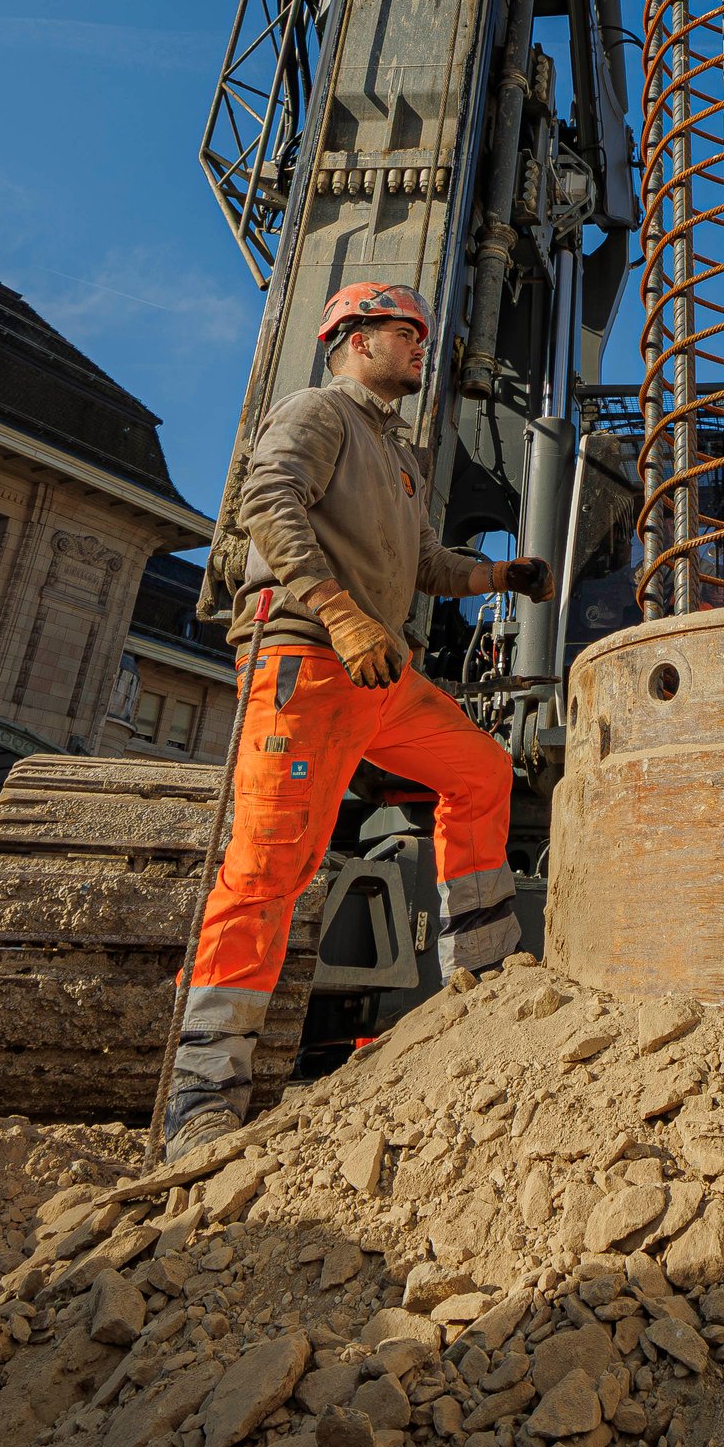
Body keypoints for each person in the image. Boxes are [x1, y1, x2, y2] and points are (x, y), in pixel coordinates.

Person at [165, 280, 547, 1152]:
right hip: (305, 659)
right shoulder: (318, 412)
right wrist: (338, 613)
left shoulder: (401, 456)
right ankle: (206, 1089)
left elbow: (421, 564)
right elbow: (265, 502)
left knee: (480, 772)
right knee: (268, 867)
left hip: (379, 676)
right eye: (406, 330)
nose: (423, 345)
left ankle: (480, 976)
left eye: (422, 332)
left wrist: (498, 577)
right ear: (350, 337)